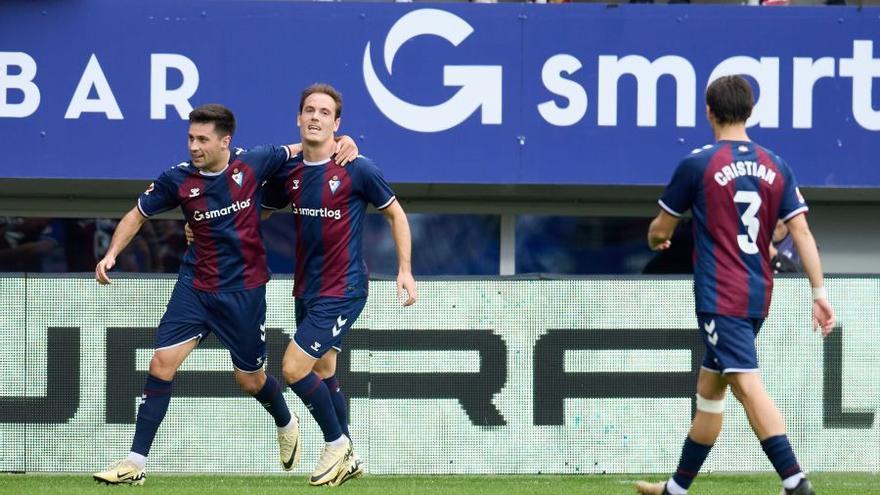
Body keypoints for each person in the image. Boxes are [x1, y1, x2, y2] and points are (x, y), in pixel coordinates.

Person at [91, 103, 358, 485]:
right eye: (190, 138)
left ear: (225, 141)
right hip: (195, 287)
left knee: (249, 380)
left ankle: (285, 419)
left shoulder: (254, 163)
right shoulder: (177, 179)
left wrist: (342, 142)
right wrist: (112, 253)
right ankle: (135, 462)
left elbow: (304, 147)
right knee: (161, 364)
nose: (194, 146)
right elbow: (138, 213)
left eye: (203, 139)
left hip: (244, 292)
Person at [635, 75, 835, 495]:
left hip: (720, 295)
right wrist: (819, 292)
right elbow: (802, 234)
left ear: (708, 111)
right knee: (710, 389)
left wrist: (657, 237)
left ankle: (795, 482)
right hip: (758, 293)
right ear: (750, 111)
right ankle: (676, 489)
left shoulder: (697, 164)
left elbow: (661, 229)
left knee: (745, 383)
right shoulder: (776, 165)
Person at [262, 83, 417, 487]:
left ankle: (336, 444)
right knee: (326, 370)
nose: (315, 116)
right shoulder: (290, 172)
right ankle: (350, 447)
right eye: (309, 110)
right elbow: (255, 211)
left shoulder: (357, 167)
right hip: (307, 289)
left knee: (294, 368)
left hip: (344, 287)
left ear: (337, 123)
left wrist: (404, 269)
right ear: (298, 118)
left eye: (324, 112)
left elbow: (397, 215)